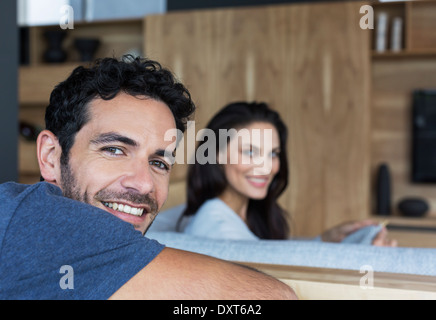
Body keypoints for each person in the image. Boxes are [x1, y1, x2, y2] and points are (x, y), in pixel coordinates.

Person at [0, 56, 297, 300]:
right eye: (114, 149)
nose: (143, 184)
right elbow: (271, 298)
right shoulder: (33, 218)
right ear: (50, 156)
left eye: (158, 162)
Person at [180, 102, 396, 246]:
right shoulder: (214, 227)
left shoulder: (249, 213)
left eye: (273, 154)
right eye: (250, 152)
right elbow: (272, 280)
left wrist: (326, 240)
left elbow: (273, 257)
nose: (266, 168)